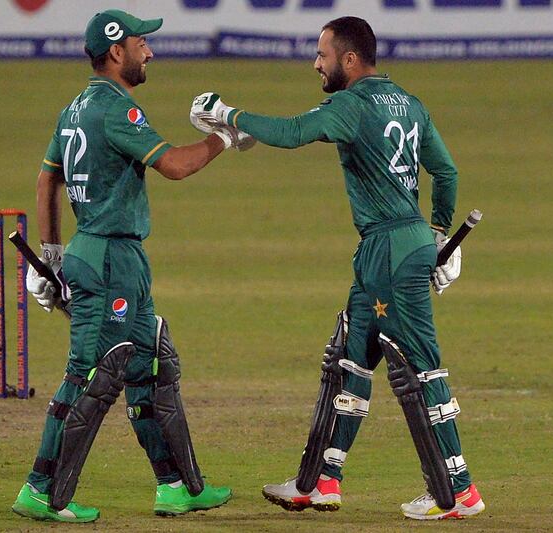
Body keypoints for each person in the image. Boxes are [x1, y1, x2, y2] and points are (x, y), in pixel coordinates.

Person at [191, 16, 484, 521]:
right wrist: (437, 235)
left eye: (322, 55)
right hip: (395, 246)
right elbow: (447, 171)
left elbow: (292, 132)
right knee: (348, 359)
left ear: (349, 60)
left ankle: (459, 492)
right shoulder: (410, 103)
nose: (315, 64)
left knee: (419, 369)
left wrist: (228, 114)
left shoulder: (350, 106)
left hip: (389, 252)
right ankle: (320, 481)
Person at [11, 9, 252, 524]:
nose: (150, 51)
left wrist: (53, 254)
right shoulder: (119, 111)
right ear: (116, 51)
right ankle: (42, 489)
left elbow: (45, 180)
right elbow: (176, 166)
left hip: (105, 255)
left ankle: (178, 487)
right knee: (92, 375)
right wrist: (222, 138)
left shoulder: (75, 108)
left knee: (153, 366)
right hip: (108, 260)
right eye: (143, 43)